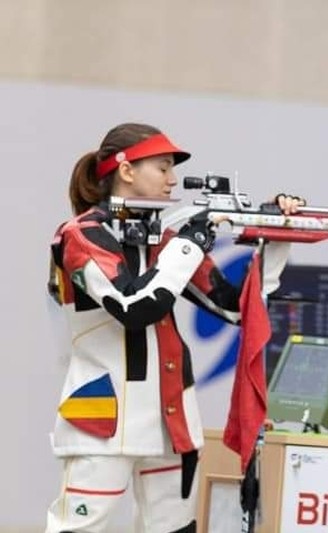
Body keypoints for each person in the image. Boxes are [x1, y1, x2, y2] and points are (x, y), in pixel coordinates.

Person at [45, 123, 304, 532]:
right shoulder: (80, 234)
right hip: (103, 420)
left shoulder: (164, 240)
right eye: (163, 167)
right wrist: (189, 244)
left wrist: (275, 237)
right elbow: (133, 307)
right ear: (126, 170)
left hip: (171, 424)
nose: (173, 179)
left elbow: (236, 309)